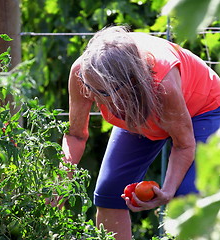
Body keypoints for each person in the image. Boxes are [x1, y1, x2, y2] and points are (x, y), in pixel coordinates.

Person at [61, 25, 220, 240]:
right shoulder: (85, 74)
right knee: (109, 193)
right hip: (142, 110)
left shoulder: (163, 84)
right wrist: (61, 182)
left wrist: (167, 192)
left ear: (129, 84)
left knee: (188, 198)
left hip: (204, 108)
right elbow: (75, 135)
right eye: (89, 88)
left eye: (101, 92)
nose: (92, 98)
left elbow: (184, 144)